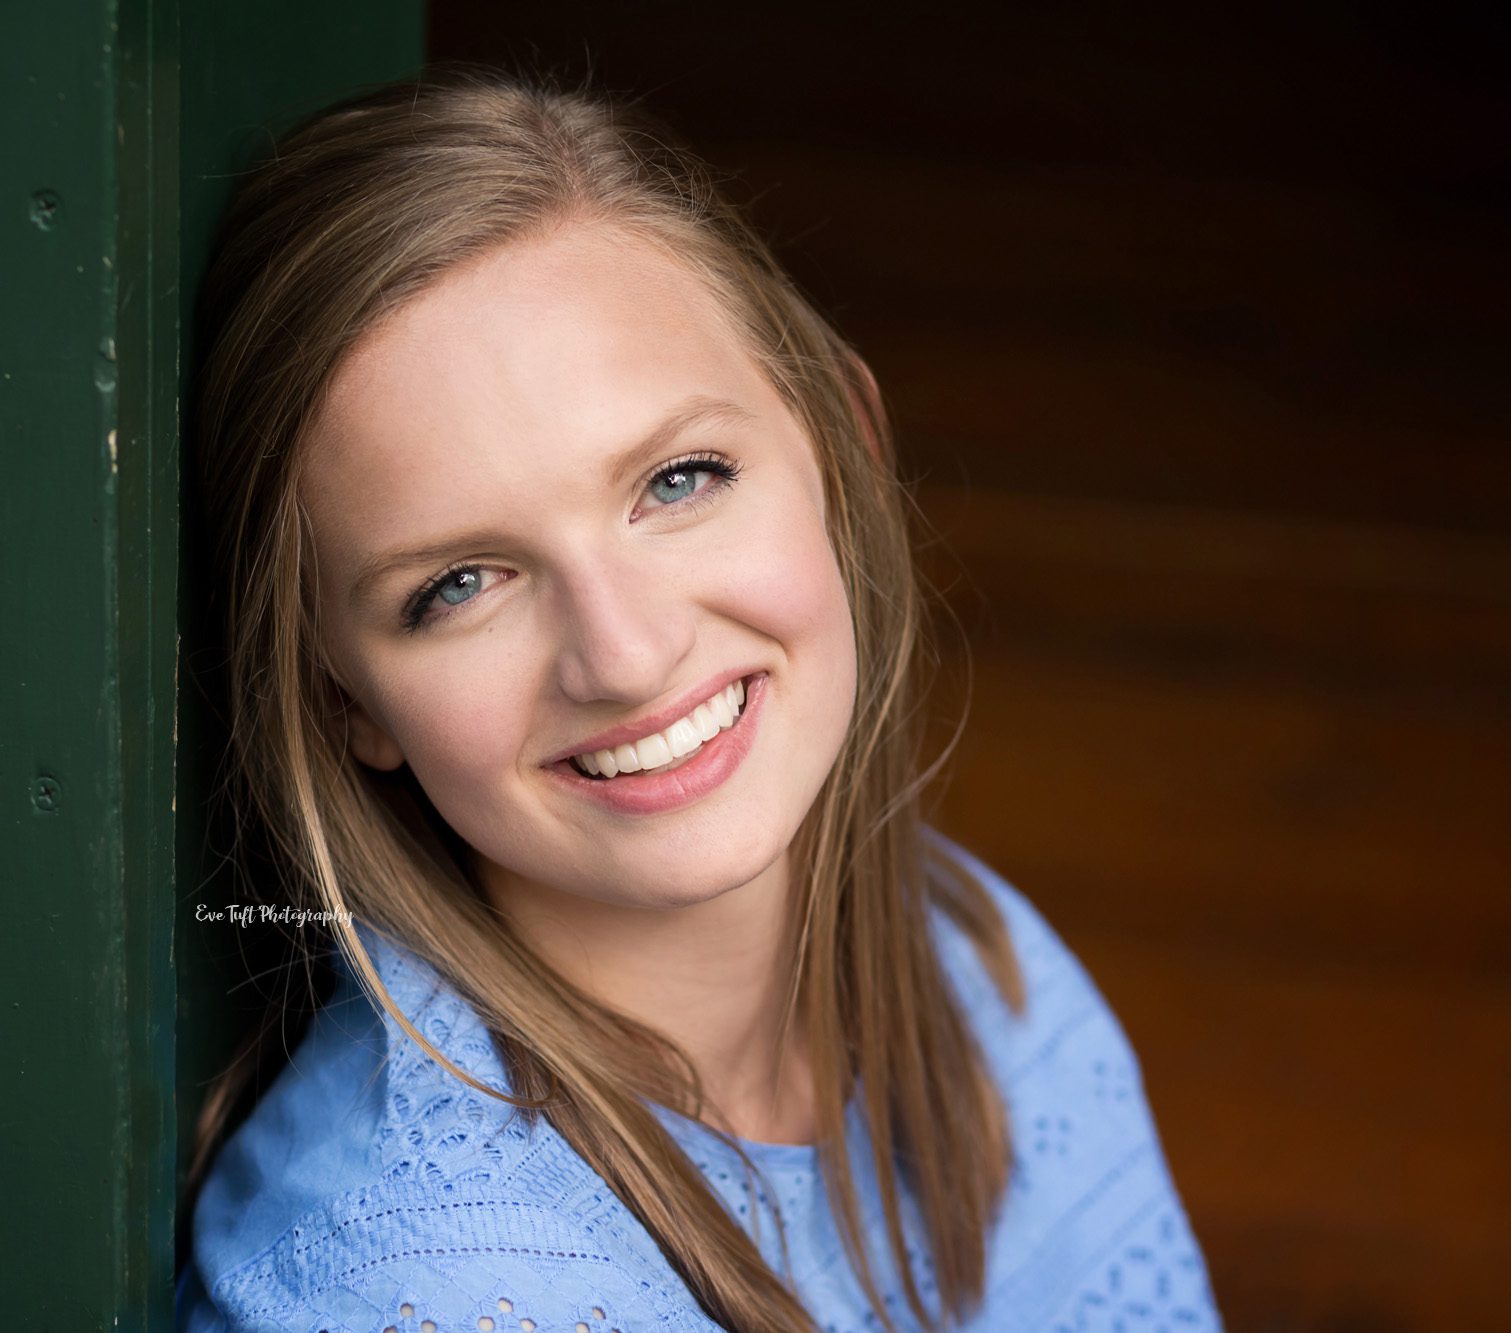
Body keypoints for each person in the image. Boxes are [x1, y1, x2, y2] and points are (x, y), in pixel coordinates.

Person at [175, 65, 1219, 1333]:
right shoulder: (420, 1285)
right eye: (457, 583)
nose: (621, 652)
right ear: (346, 700)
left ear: (845, 445)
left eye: (677, 479)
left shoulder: (983, 974)